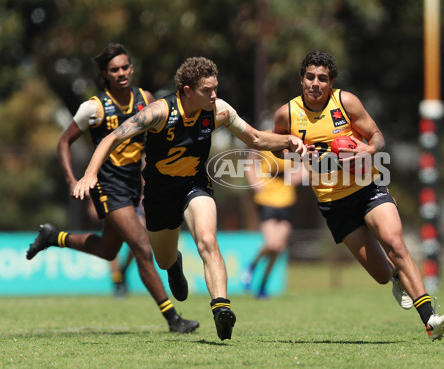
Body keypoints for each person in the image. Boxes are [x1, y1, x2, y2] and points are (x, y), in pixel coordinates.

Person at [72, 56, 307, 341]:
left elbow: (256, 139)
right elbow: (112, 138)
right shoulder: (158, 112)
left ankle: (221, 308)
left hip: (195, 186)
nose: (214, 95)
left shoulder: (219, 111)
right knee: (163, 257)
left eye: (215, 88)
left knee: (208, 240)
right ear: (186, 91)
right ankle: (174, 265)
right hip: (159, 196)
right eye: (207, 90)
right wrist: (90, 174)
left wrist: (288, 141)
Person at [272, 51, 444, 342]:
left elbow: (377, 136)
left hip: (368, 187)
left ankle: (430, 319)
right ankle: (396, 277)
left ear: (331, 82)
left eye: (322, 78)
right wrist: (293, 152)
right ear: (301, 79)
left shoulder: (346, 102)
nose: (315, 84)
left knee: (395, 243)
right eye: (310, 77)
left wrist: (367, 151)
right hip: (333, 204)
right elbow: (276, 146)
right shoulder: (287, 113)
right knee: (382, 274)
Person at [26, 43, 199, 334]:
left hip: (133, 182)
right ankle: (173, 319)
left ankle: (53, 236)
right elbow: (63, 142)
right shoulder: (93, 107)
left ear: (131, 68)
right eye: (114, 69)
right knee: (142, 247)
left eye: (125, 67)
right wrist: (72, 180)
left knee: (108, 251)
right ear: (105, 75)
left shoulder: (144, 98)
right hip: (108, 185)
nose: (121, 73)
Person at [242, 149, 303, 299]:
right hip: (267, 201)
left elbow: (306, 164)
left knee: (279, 247)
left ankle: (262, 286)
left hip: (287, 201)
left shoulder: (294, 143)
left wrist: (300, 175)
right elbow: (250, 161)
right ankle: (252, 266)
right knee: (271, 244)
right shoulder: (266, 139)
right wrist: (254, 181)